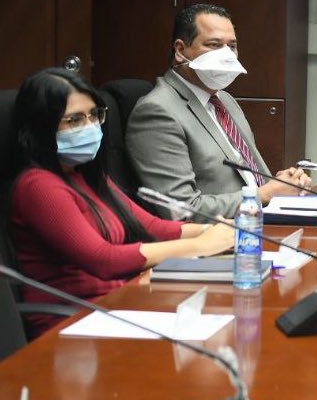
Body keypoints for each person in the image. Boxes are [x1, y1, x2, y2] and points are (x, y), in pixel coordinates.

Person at [5, 69, 235, 338]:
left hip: (118, 306)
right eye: (75, 120)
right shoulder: (39, 186)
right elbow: (103, 260)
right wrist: (199, 246)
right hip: (74, 325)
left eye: (94, 115)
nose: (90, 126)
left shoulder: (85, 175)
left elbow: (150, 226)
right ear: (41, 126)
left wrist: (214, 230)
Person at [126, 4, 311, 218]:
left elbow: (251, 178)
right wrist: (263, 195)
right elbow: (181, 209)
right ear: (180, 50)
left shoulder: (224, 100)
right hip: (220, 234)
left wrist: (284, 185)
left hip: (261, 220)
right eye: (214, 45)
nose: (226, 55)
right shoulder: (157, 111)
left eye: (232, 46)